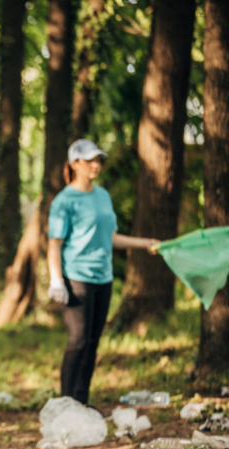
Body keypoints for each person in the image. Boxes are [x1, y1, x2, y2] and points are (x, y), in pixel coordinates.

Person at [47, 139, 160, 406]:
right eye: (89, 160)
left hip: (103, 278)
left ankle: (82, 403)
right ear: (75, 164)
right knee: (78, 341)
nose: (96, 165)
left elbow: (111, 237)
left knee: (93, 343)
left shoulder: (103, 196)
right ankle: (66, 405)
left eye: (98, 160)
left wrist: (143, 243)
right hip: (77, 278)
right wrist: (56, 280)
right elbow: (54, 244)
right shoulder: (64, 201)